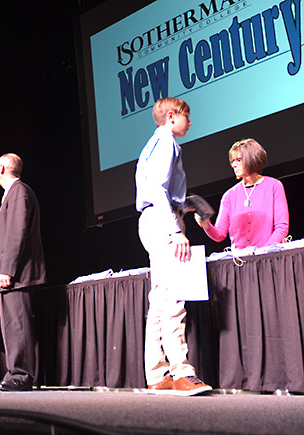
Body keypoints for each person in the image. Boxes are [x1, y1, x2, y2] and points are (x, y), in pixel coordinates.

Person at [135, 97, 212, 395]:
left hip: (152, 220)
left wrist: (186, 204)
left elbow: (158, 188)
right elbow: (156, 188)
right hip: (162, 222)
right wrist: (174, 229)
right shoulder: (166, 142)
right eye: (186, 117)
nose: (189, 123)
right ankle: (181, 372)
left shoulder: (154, 144)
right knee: (172, 299)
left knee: (160, 300)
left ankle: (156, 374)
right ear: (171, 116)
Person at [0, 153, 46, 391]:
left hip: (17, 274)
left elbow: (16, 233)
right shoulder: (11, 193)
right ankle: (14, 373)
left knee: (18, 325)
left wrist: (8, 269)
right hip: (11, 275)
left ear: (2, 168)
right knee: (11, 326)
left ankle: (22, 376)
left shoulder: (19, 191)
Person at [195, 138, 289, 249]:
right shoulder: (229, 196)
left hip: (267, 257)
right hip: (240, 261)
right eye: (232, 161)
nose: (233, 165)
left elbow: (282, 227)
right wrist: (206, 226)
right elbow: (220, 234)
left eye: (238, 160)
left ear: (252, 159)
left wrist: (265, 251)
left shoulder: (274, 186)